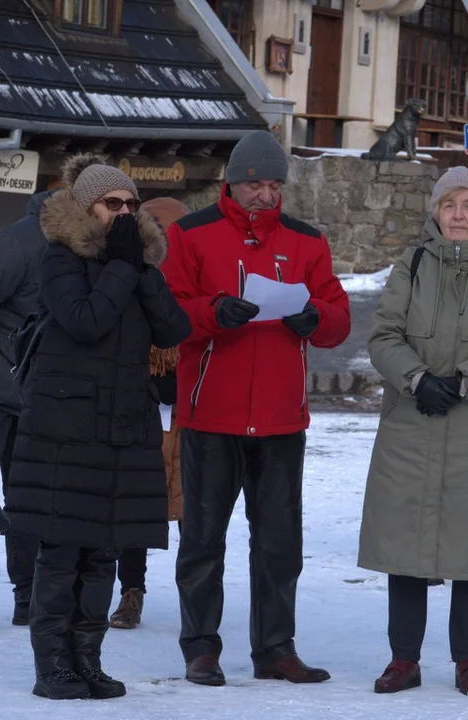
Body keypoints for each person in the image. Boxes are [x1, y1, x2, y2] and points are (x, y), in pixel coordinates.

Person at [162, 130, 351, 687]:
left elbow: (337, 314)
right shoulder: (190, 234)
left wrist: (314, 317)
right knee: (202, 538)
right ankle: (201, 647)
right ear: (231, 182)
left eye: (273, 185)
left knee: (278, 542)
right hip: (209, 415)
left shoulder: (307, 241)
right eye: (254, 184)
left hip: (279, 420)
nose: (264, 195)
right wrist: (215, 311)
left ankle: (274, 648)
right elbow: (169, 311)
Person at [4, 159, 191, 700]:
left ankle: (88, 659)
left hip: (121, 427)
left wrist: (140, 268)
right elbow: (85, 320)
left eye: (131, 205)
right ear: (87, 207)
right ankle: (52, 665)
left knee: (104, 552)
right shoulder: (59, 259)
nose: (125, 214)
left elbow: (174, 328)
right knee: (62, 552)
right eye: (114, 204)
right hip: (66, 429)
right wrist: (124, 268)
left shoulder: (133, 265)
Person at [358, 167, 468, 696]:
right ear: (435, 212)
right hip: (411, 425)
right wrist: (416, 378)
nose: (458, 214)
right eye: (449, 204)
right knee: (405, 547)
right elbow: (384, 335)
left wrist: (463, 383)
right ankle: (403, 659)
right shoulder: (410, 265)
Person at [0, 169, 87, 634]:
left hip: (45, 394)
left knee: (28, 500)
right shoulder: (20, 239)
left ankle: (26, 594)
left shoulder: (86, 244)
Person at [108, 196, 191, 630]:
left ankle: (194, 598)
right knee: (136, 508)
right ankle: (131, 591)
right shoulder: (131, 277)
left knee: (192, 512)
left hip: (190, 416)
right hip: (143, 413)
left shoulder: (194, 279)